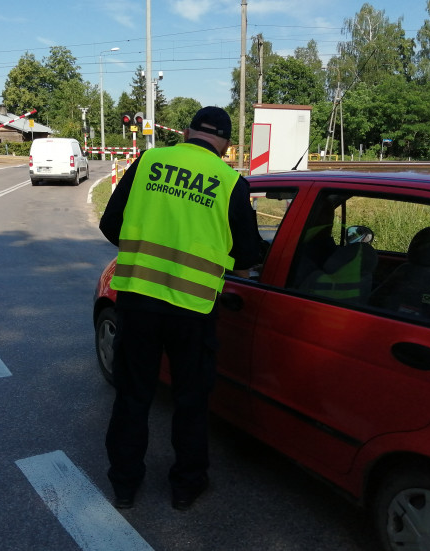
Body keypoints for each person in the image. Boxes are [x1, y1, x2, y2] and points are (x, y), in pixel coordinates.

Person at [99, 106, 261, 511]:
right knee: (190, 401)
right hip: (193, 311)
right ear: (224, 144)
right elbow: (246, 257)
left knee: (133, 397)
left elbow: (110, 225)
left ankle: (124, 486)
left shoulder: (149, 161)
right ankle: (186, 487)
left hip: (137, 303)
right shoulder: (230, 183)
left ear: (187, 133)